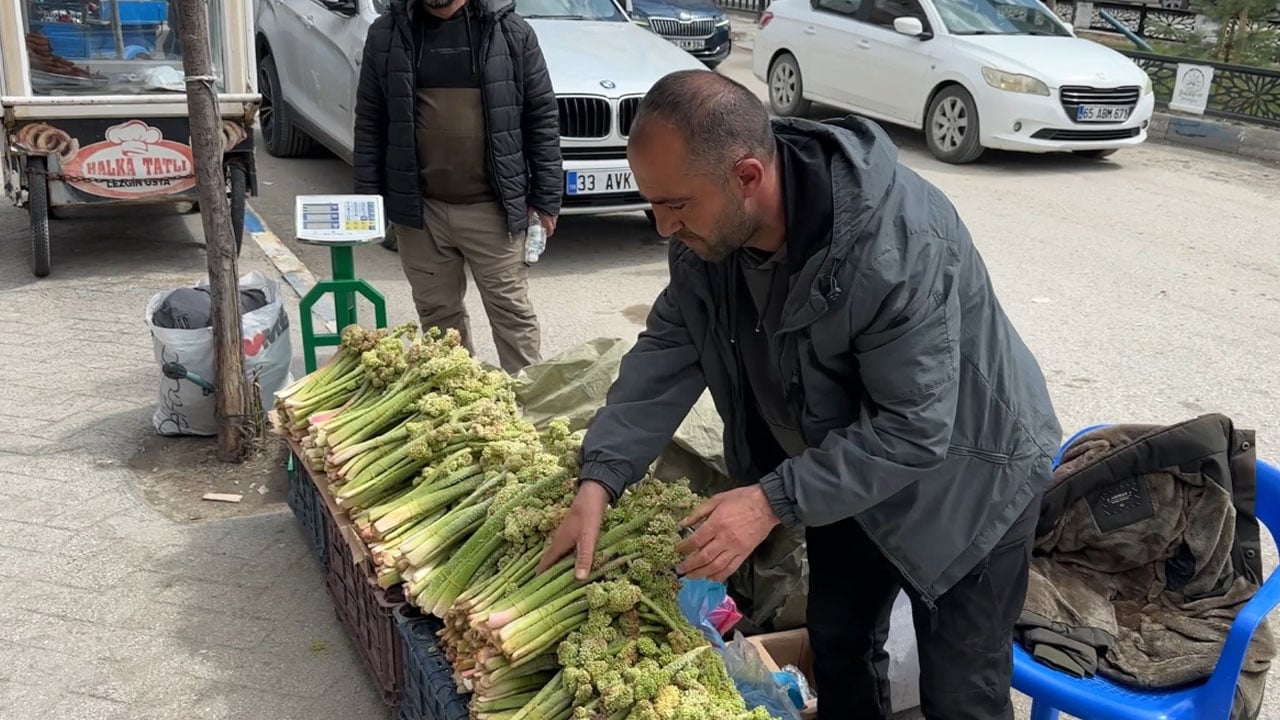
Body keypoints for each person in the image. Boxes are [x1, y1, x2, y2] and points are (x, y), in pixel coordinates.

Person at [537, 70, 1063, 720]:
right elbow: (671, 348)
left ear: (748, 176)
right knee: (840, 644)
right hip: (840, 461)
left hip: (968, 477)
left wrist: (770, 500)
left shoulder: (895, 247)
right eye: (653, 205)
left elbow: (915, 429)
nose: (664, 228)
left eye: (676, 205)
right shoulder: (711, 240)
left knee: (960, 694)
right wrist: (600, 477)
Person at [353, 0, 561, 374]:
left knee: (512, 314)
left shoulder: (511, 33)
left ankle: (531, 410)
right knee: (437, 317)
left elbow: (541, 117)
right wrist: (370, 200)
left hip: (493, 212)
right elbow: (370, 120)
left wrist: (545, 201)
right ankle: (460, 404)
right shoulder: (386, 35)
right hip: (422, 212)